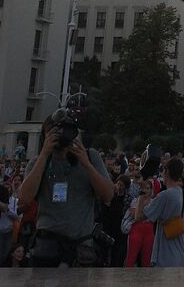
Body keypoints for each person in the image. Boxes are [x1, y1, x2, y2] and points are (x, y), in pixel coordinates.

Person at [16, 110, 115, 267]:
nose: (62, 136)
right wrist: (44, 154)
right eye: (55, 132)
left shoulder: (90, 156)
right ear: (45, 135)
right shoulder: (37, 163)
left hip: (81, 248)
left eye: (66, 130)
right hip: (47, 245)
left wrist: (86, 163)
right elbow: (24, 200)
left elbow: (108, 196)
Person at [136, 159, 184, 268]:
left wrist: (142, 191)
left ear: (166, 172)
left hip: (165, 258)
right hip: (182, 256)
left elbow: (138, 217)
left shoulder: (164, 196)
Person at [123, 177, 156, 267]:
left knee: (147, 258)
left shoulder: (154, 202)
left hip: (148, 230)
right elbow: (134, 215)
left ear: (151, 190)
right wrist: (143, 202)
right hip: (136, 229)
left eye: (148, 188)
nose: (145, 190)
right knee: (131, 257)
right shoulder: (135, 200)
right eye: (143, 188)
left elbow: (154, 216)